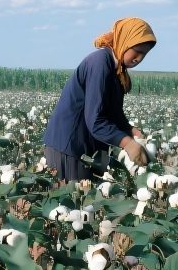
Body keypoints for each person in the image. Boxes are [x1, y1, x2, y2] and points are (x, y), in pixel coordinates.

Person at [42, 18, 155, 182]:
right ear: (124, 42)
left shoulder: (117, 69)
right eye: (137, 51)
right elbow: (95, 120)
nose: (138, 58)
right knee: (73, 196)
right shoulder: (100, 63)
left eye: (144, 54)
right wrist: (127, 143)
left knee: (88, 196)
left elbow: (114, 114)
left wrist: (131, 131)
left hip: (86, 150)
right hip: (70, 148)